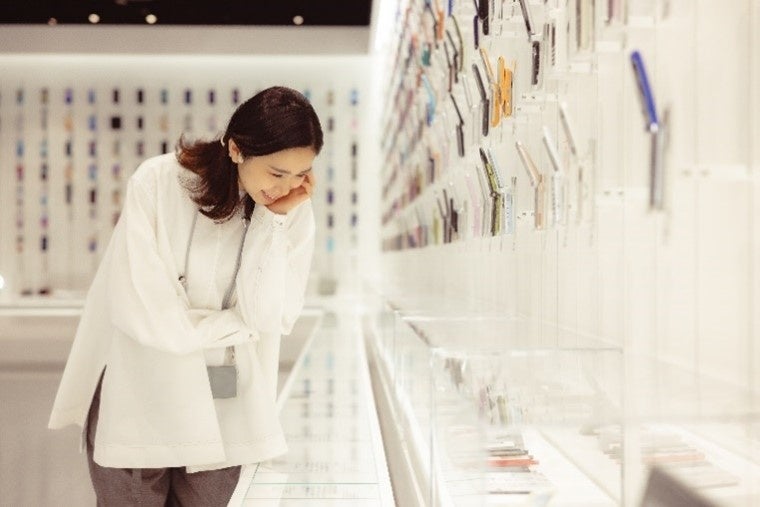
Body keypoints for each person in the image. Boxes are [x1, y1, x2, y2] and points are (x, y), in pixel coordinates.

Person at [48, 85, 323, 506]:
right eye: (276, 173)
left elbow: (269, 317)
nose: (287, 186)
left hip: (224, 401)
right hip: (142, 390)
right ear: (236, 149)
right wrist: (233, 326)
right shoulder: (158, 182)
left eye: (301, 173)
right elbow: (143, 311)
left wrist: (271, 221)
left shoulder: (291, 208)